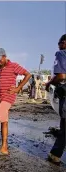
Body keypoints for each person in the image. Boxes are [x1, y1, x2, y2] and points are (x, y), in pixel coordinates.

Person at [45, 34, 66, 165]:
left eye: (59, 43)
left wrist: (49, 83)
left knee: (64, 127)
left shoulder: (61, 53)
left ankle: (55, 155)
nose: (58, 46)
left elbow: (62, 75)